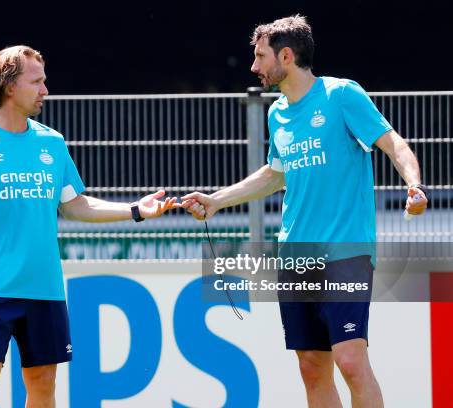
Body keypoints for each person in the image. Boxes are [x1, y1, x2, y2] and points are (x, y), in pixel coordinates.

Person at [182, 15, 428, 408]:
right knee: (312, 366)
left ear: (286, 55)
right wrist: (216, 199)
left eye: (260, 57)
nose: (254, 67)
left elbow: (393, 143)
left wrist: (413, 184)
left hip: (346, 251)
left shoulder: (342, 95)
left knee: (350, 360)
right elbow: (274, 175)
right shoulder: (277, 112)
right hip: (295, 254)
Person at [0, 45, 180, 408]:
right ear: (9, 87)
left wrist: (134, 210)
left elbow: (76, 205)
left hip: (45, 287)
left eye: (44, 81)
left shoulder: (52, 142)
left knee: (43, 384)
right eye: (37, 82)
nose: (45, 90)